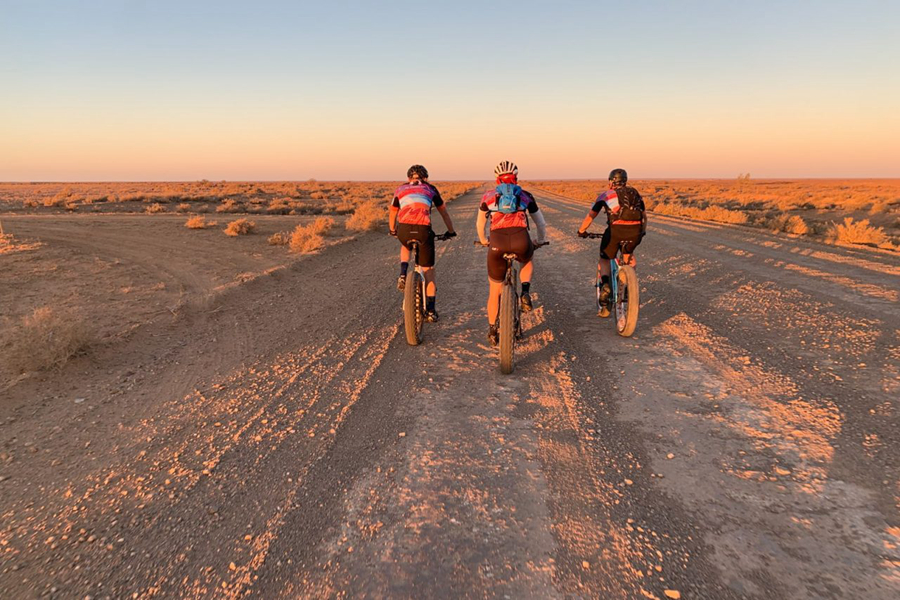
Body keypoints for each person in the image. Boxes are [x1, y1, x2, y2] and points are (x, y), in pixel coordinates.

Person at [477, 161, 548, 345]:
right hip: (520, 240)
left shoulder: (488, 196)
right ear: (516, 177)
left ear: (497, 178)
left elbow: (480, 225)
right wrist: (539, 241)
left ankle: (493, 329)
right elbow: (541, 224)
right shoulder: (525, 196)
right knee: (528, 258)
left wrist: (485, 241)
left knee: (494, 290)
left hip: (497, 242)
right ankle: (524, 292)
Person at [389, 164, 456, 322]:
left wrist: (393, 230)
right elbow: (444, 212)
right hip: (423, 231)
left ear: (408, 178)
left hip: (404, 230)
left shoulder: (400, 189)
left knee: (405, 244)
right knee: (428, 271)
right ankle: (431, 311)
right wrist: (451, 231)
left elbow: (393, 212)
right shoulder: (431, 189)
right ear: (425, 178)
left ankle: (403, 273)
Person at [577, 168, 647, 317]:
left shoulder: (606, 195)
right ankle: (628, 284)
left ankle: (606, 285)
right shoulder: (635, 193)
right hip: (636, 232)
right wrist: (642, 232)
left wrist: (582, 231)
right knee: (628, 255)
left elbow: (591, 216)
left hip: (615, 232)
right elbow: (644, 216)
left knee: (605, 258)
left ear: (611, 181)